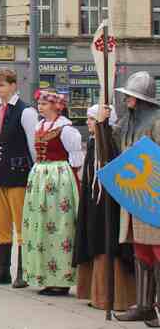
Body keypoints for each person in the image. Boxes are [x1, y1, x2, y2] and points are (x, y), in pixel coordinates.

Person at [100, 71, 160, 323]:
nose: (126, 100)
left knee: (158, 251)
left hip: (154, 197)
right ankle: (145, 306)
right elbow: (109, 152)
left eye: (131, 96)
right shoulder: (127, 123)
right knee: (141, 251)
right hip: (135, 196)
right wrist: (103, 125)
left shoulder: (157, 122)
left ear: (142, 99)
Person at [73, 103, 136, 312]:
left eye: (92, 119)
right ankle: (96, 293)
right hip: (95, 199)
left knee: (107, 242)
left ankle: (115, 297)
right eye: (89, 119)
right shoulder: (94, 141)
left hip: (109, 201)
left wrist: (103, 125)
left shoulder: (109, 139)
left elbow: (109, 160)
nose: (88, 122)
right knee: (95, 239)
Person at [20, 90, 84, 295]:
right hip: (40, 176)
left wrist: (73, 181)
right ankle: (45, 275)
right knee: (40, 225)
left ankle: (61, 279)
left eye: (45, 103)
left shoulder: (66, 129)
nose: (40, 107)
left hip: (58, 178)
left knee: (58, 225)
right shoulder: (39, 126)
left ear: (57, 107)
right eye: (39, 103)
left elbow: (76, 158)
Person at [0, 68, 37, 287]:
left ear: (14, 85)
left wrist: (34, 173)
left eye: (2, 84)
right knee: (1, 225)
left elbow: (33, 146)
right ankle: (2, 271)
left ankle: (23, 272)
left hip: (19, 175)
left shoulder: (26, 112)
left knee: (22, 224)